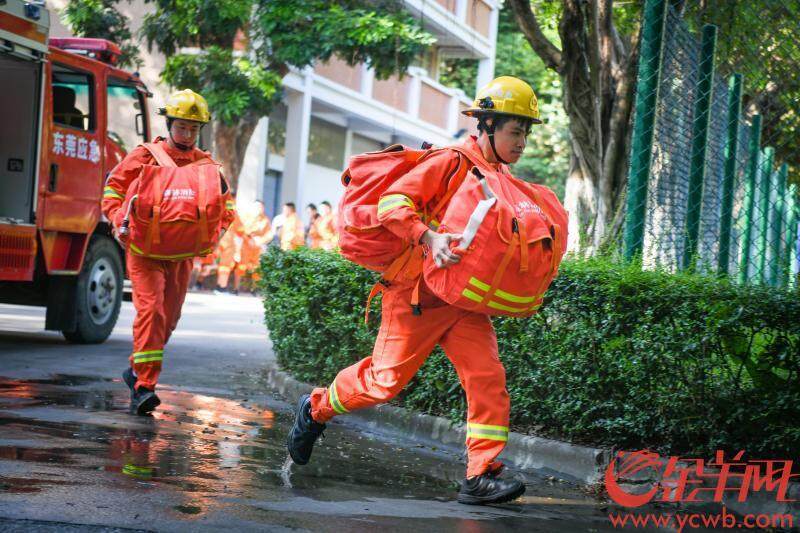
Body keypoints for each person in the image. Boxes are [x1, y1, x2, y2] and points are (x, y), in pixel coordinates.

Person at [286, 76, 548, 505]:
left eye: (526, 132)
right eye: (514, 131)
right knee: (382, 384)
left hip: (463, 299)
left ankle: (481, 473)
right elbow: (392, 204)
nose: (522, 142)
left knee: (488, 378)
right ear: (485, 127)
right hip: (418, 295)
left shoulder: (496, 175)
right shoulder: (450, 162)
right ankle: (314, 408)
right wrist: (429, 238)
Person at [102, 89, 235, 415]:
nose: (187, 134)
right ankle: (144, 387)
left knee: (168, 321)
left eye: (193, 128)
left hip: (181, 256)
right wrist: (121, 221)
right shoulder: (145, 155)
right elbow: (112, 190)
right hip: (144, 252)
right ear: (169, 123)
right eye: (182, 127)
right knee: (151, 313)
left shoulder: (207, 165)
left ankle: (135, 371)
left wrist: (214, 235)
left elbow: (226, 206)